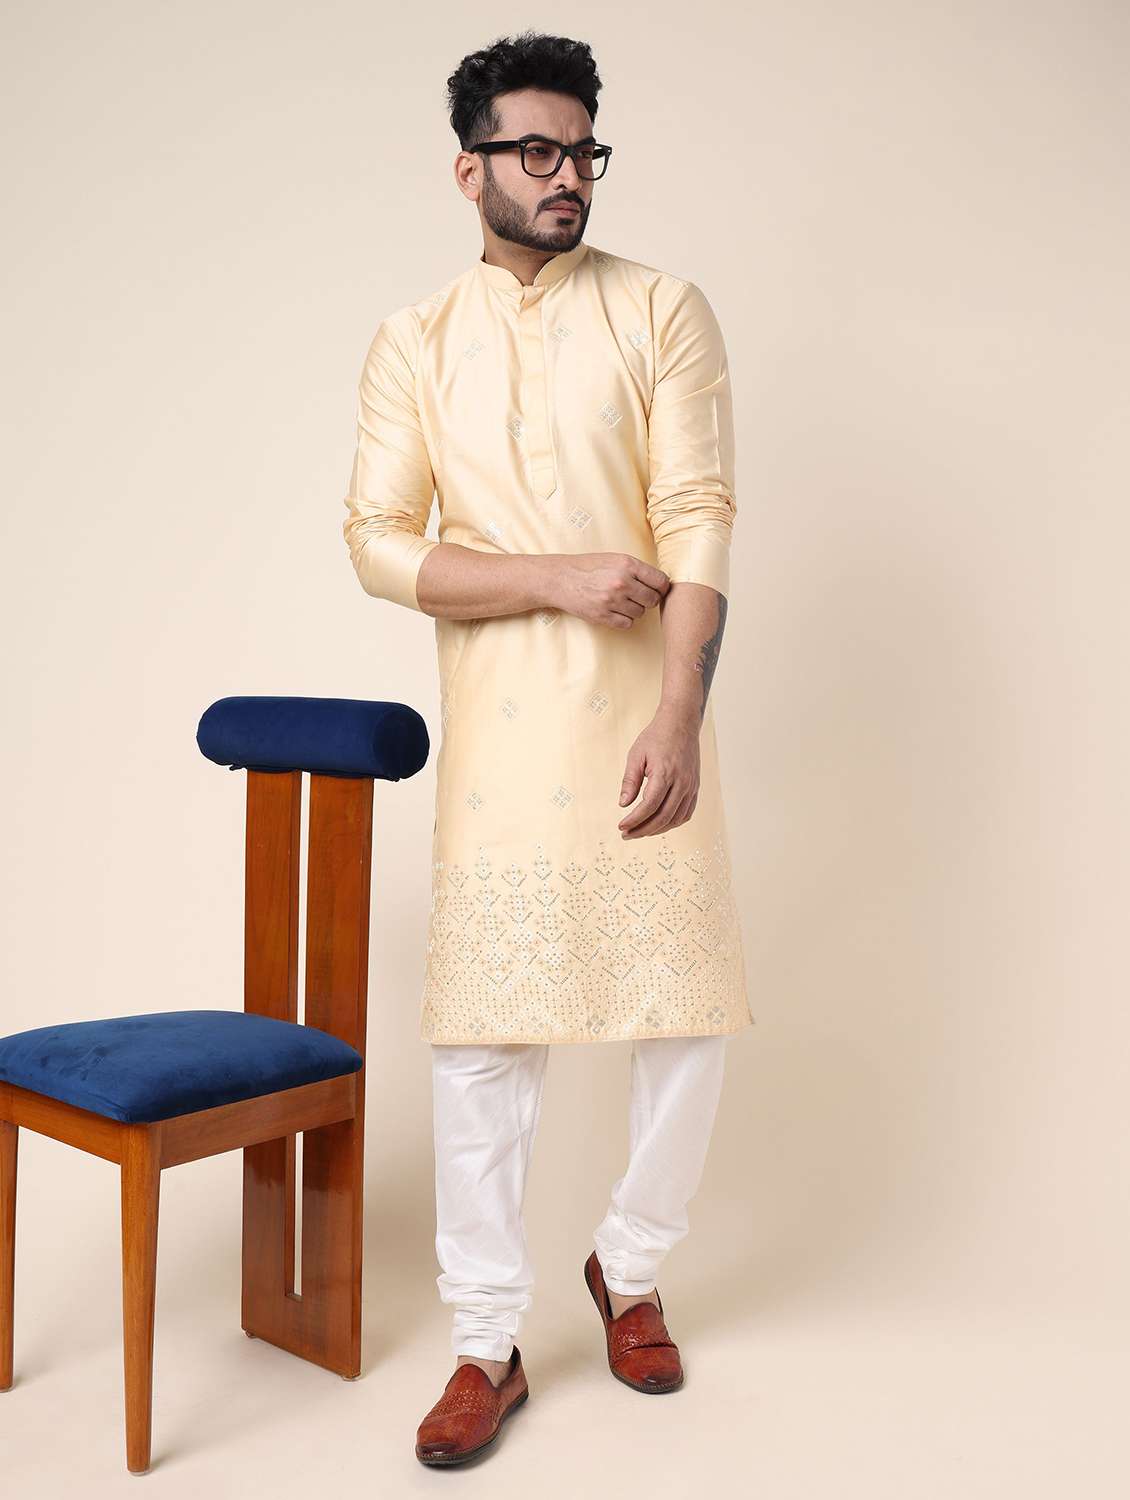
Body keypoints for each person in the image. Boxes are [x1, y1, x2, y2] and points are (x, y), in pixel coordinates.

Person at [341, 29, 754, 1467]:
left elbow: (697, 516)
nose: (566, 174)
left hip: (647, 724)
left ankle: (628, 1268)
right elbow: (377, 545)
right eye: (535, 150)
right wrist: (559, 577)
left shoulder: (660, 309)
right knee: (481, 1044)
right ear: (470, 172)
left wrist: (681, 712)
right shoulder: (414, 342)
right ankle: (483, 1342)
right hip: (502, 747)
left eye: (582, 151)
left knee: (684, 1018)